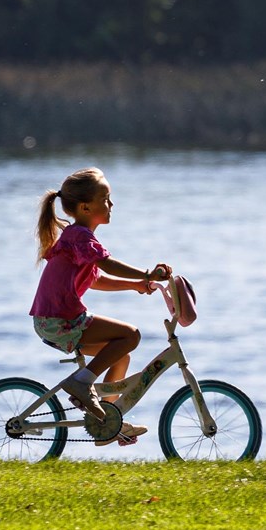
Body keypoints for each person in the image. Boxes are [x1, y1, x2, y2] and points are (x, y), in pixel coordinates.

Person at [30, 167, 172, 446]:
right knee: (130, 335)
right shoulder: (80, 237)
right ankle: (82, 384)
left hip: (54, 320)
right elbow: (106, 264)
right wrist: (146, 275)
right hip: (60, 319)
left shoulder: (77, 239)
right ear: (85, 207)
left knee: (120, 355)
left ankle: (107, 421)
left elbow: (96, 279)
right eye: (105, 199)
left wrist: (134, 286)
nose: (111, 204)